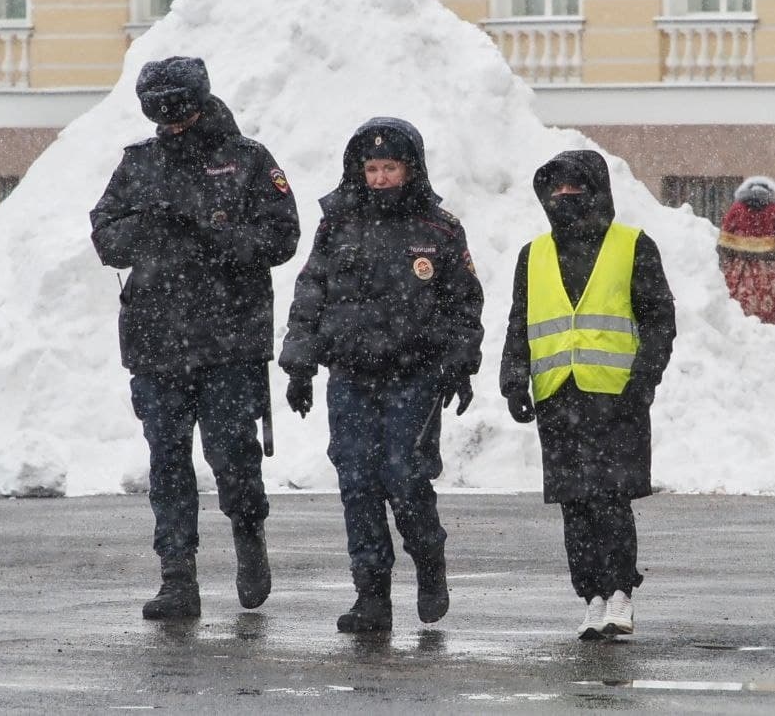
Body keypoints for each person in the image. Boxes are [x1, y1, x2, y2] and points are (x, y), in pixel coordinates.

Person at [90, 56, 300, 620]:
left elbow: (283, 236)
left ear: (200, 100)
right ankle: (177, 576)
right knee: (168, 462)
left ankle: (248, 532)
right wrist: (149, 225)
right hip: (157, 341)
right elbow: (106, 235)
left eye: (178, 107)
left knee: (232, 454)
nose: (171, 120)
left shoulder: (247, 160)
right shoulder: (138, 165)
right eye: (158, 110)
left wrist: (213, 236)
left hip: (229, 340)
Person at [279, 117, 484, 633]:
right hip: (350, 373)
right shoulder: (338, 223)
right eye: (371, 168)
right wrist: (300, 363)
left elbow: (464, 302)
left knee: (404, 475)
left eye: (389, 167)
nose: (379, 178)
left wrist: (461, 362)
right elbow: (310, 292)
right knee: (357, 481)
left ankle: (429, 560)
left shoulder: (439, 228)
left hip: (413, 374)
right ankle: (371, 596)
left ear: (410, 169)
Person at [500, 149, 677, 640]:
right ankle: (592, 598)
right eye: (555, 189)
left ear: (597, 191)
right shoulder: (532, 255)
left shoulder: (633, 245)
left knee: (610, 499)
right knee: (574, 505)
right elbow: (521, 321)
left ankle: (621, 594)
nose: (564, 197)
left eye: (575, 188)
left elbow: (659, 321)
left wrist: (643, 381)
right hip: (558, 396)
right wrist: (513, 377)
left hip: (616, 396)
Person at [717, 176, 775, 328]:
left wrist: (728, 257)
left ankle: (742, 327)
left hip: (742, 264)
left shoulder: (737, 208)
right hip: (771, 265)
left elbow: (725, 238)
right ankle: (774, 328)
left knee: (740, 296)